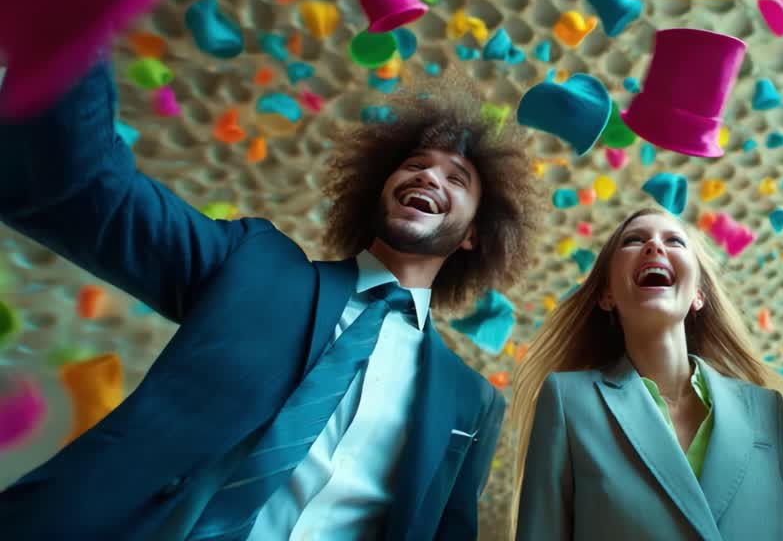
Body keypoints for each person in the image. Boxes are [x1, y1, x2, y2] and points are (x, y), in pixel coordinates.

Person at [1, 65, 542, 538]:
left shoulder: (472, 403)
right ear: (378, 189)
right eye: (415, 164)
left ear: (474, 234)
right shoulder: (253, 263)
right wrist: (75, 28)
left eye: (456, 178)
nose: (428, 175)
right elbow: (95, 189)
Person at [512, 208, 783, 540]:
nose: (654, 246)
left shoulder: (766, 409)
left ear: (698, 295)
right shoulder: (568, 401)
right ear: (607, 295)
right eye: (634, 240)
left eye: (674, 241)